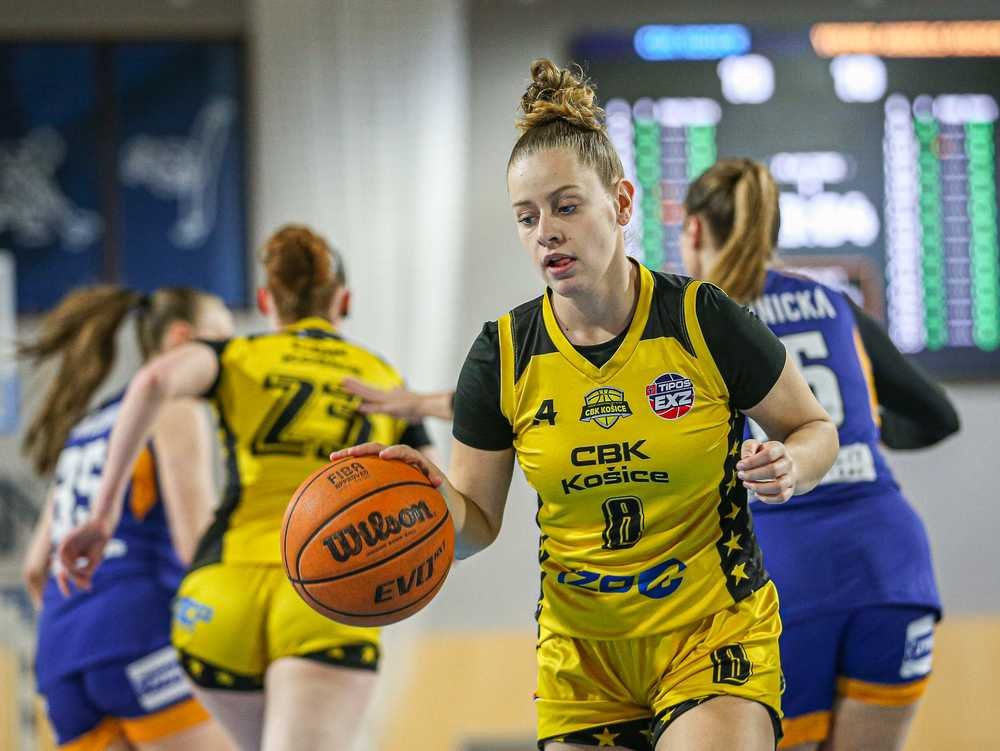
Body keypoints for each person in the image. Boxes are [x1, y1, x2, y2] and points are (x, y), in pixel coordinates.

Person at [332, 59, 839, 751]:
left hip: (712, 632)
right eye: (527, 217)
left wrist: (793, 463)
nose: (546, 231)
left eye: (566, 207)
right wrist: (420, 496)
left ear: (621, 204)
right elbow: (477, 526)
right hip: (582, 657)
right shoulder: (502, 353)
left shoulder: (702, 319)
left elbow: (814, 426)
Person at [55, 225, 434, 751]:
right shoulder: (383, 376)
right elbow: (432, 490)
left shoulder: (235, 353)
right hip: (329, 585)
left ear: (265, 301)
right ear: (344, 301)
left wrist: (102, 515)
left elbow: (152, 382)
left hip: (220, 592)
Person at [679, 158, 959, 751]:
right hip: (892, 564)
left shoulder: (696, 321)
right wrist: (858, 435)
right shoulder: (834, 302)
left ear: (695, 230)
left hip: (785, 574)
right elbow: (939, 414)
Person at [20, 285, 235, 751]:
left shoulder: (86, 427)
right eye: (222, 342)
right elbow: (195, 543)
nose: (230, 359)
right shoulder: (175, 406)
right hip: (141, 631)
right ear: (182, 339)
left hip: (59, 657)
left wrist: (83, 628)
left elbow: (35, 569)